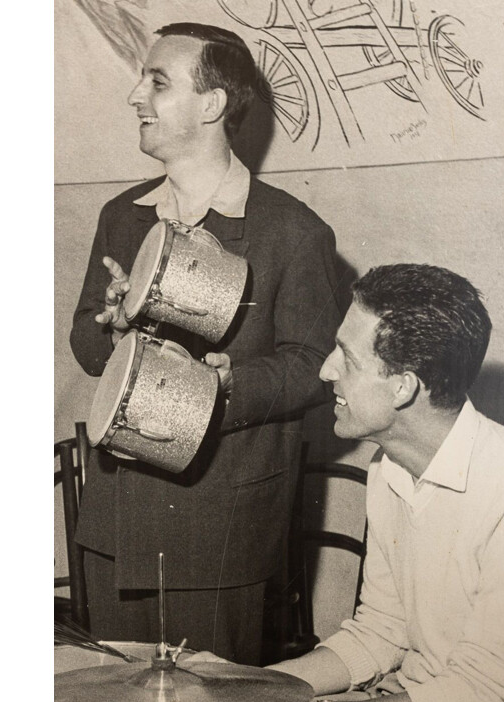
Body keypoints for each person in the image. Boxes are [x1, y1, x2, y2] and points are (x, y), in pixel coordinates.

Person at [191, 263, 504, 702]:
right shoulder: (389, 467)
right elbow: (379, 632)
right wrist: (254, 688)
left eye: (348, 359)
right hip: (427, 696)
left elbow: (479, 698)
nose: (327, 371)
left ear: (402, 387)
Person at [69, 22, 342, 666]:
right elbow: (85, 339)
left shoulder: (293, 231)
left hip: (221, 527)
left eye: (157, 82)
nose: (136, 96)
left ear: (212, 105)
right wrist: (108, 325)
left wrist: (225, 388)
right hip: (115, 521)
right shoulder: (123, 215)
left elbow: (315, 366)